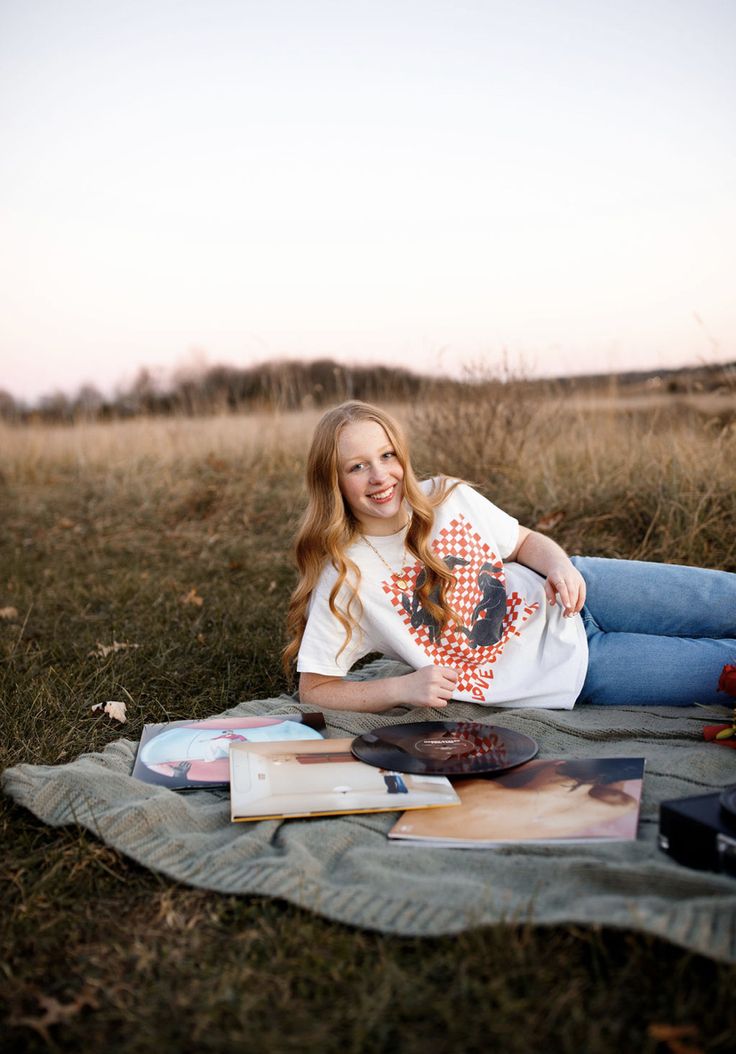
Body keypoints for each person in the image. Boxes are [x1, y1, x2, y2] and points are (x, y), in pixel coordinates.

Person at [283, 400, 736, 713]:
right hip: (577, 668)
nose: (380, 476)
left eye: (387, 455)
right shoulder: (345, 575)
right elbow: (316, 689)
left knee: (727, 599)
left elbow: (523, 542)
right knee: (726, 673)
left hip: (587, 589)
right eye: (357, 465)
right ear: (333, 481)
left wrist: (558, 566)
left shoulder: (444, 495)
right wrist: (402, 688)